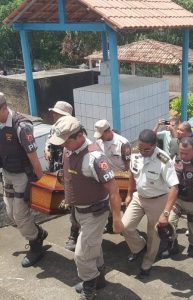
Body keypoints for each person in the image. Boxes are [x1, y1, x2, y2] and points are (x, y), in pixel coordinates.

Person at [49, 115, 123, 299]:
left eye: (66, 142)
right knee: (93, 247)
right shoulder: (70, 149)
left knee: (81, 255)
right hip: (78, 209)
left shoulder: (95, 158)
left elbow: (114, 190)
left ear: (79, 136)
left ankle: (89, 289)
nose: (63, 146)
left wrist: (117, 219)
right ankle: (99, 278)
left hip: (95, 213)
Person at [122, 129, 178, 278]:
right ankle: (139, 248)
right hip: (139, 197)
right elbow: (132, 175)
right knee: (125, 226)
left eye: (146, 149)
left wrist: (166, 213)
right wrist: (128, 194)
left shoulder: (163, 159)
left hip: (157, 199)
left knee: (153, 234)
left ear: (154, 145)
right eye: (140, 148)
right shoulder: (136, 153)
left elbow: (174, 187)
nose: (143, 151)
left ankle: (147, 262)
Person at [0, 92, 47, 268]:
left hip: (23, 176)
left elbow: (34, 158)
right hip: (7, 173)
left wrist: (42, 183)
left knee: (20, 214)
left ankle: (36, 245)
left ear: (4, 108)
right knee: (11, 214)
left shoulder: (22, 127)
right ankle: (38, 232)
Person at [45, 101, 80, 252]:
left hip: (70, 172)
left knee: (74, 204)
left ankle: (75, 232)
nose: (53, 115)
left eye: (57, 113)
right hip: (56, 168)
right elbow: (49, 139)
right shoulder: (55, 128)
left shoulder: (74, 132)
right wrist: (46, 148)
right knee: (61, 198)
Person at [94, 119, 131, 233]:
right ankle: (110, 223)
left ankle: (125, 227)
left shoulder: (123, 143)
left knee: (122, 203)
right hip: (106, 177)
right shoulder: (98, 142)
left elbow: (128, 165)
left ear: (108, 131)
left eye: (102, 135)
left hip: (121, 178)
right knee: (107, 202)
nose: (100, 137)